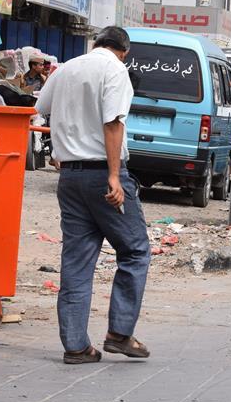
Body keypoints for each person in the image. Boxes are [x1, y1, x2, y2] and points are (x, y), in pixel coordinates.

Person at [35, 26, 152, 363]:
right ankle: (119, 332)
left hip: (70, 178)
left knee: (77, 260)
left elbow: (43, 108)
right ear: (123, 51)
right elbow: (113, 123)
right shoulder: (115, 70)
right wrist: (115, 177)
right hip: (103, 174)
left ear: (97, 43)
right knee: (134, 250)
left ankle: (75, 346)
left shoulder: (67, 67)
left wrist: (62, 146)